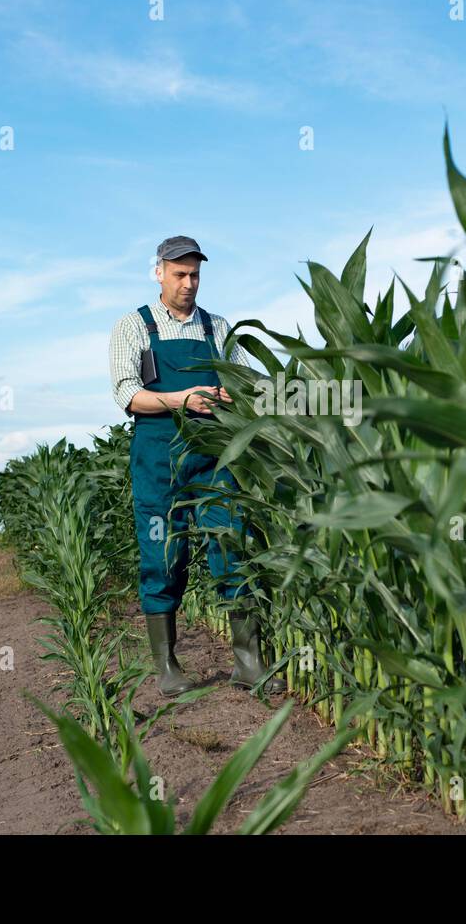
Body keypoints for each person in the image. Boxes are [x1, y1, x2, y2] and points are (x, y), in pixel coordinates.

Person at [108, 235, 286, 697]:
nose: (188, 284)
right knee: (163, 554)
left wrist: (243, 394)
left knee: (231, 544)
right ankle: (167, 666)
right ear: (159, 273)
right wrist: (180, 398)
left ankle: (249, 662)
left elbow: (246, 382)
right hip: (159, 456)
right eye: (179, 274)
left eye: (195, 275)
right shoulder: (134, 326)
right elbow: (127, 395)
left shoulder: (218, 328)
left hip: (215, 455)